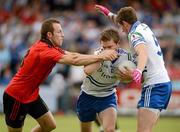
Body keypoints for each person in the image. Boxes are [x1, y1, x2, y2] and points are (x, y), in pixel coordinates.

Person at [3, 18, 118, 132]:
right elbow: (74, 60)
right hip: (16, 96)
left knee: (49, 125)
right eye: (59, 32)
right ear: (49, 35)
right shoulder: (44, 50)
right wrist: (101, 56)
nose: (63, 35)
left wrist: (99, 56)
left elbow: (73, 55)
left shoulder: (51, 48)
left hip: (31, 94)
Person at [95, 5, 172, 132]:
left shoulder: (134, 34)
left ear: (125, 23)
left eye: (121, 26)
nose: (121, 30)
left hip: (154, 86)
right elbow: (118, 19)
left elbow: (142, 52)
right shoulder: (142, 26)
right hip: (163, 82)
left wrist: (138, 71)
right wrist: (108, 13)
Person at [76, 28, 131, 132]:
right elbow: (87, 70)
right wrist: (102, 58)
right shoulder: (98, 53)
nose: (107, 50)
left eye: (110, 47)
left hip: (107, 96)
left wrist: (129, 76)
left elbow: (131, 78)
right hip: (87, 95)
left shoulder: (126, 57)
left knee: (110, 129)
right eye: (104, 47)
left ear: (117, 44)